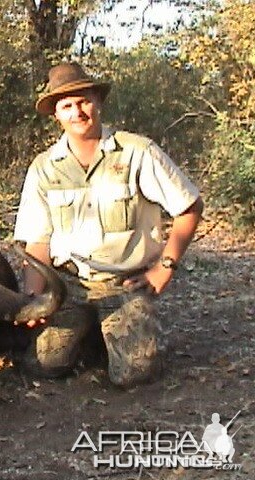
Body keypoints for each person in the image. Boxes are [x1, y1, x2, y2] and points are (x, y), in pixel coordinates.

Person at [13, 62, 203, 387]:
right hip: (69, 283)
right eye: (67, 106)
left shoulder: (137, 152)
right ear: (56, 115)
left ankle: (120, 331)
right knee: (43, 363)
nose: (78, 112)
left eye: (84, 101)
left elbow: (189, 206)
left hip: (124, 283)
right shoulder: (44, 167)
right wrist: (34, 296)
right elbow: (37, 239)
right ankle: (91, 334)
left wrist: (164, 268)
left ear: (98, 102)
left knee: (134, 374)